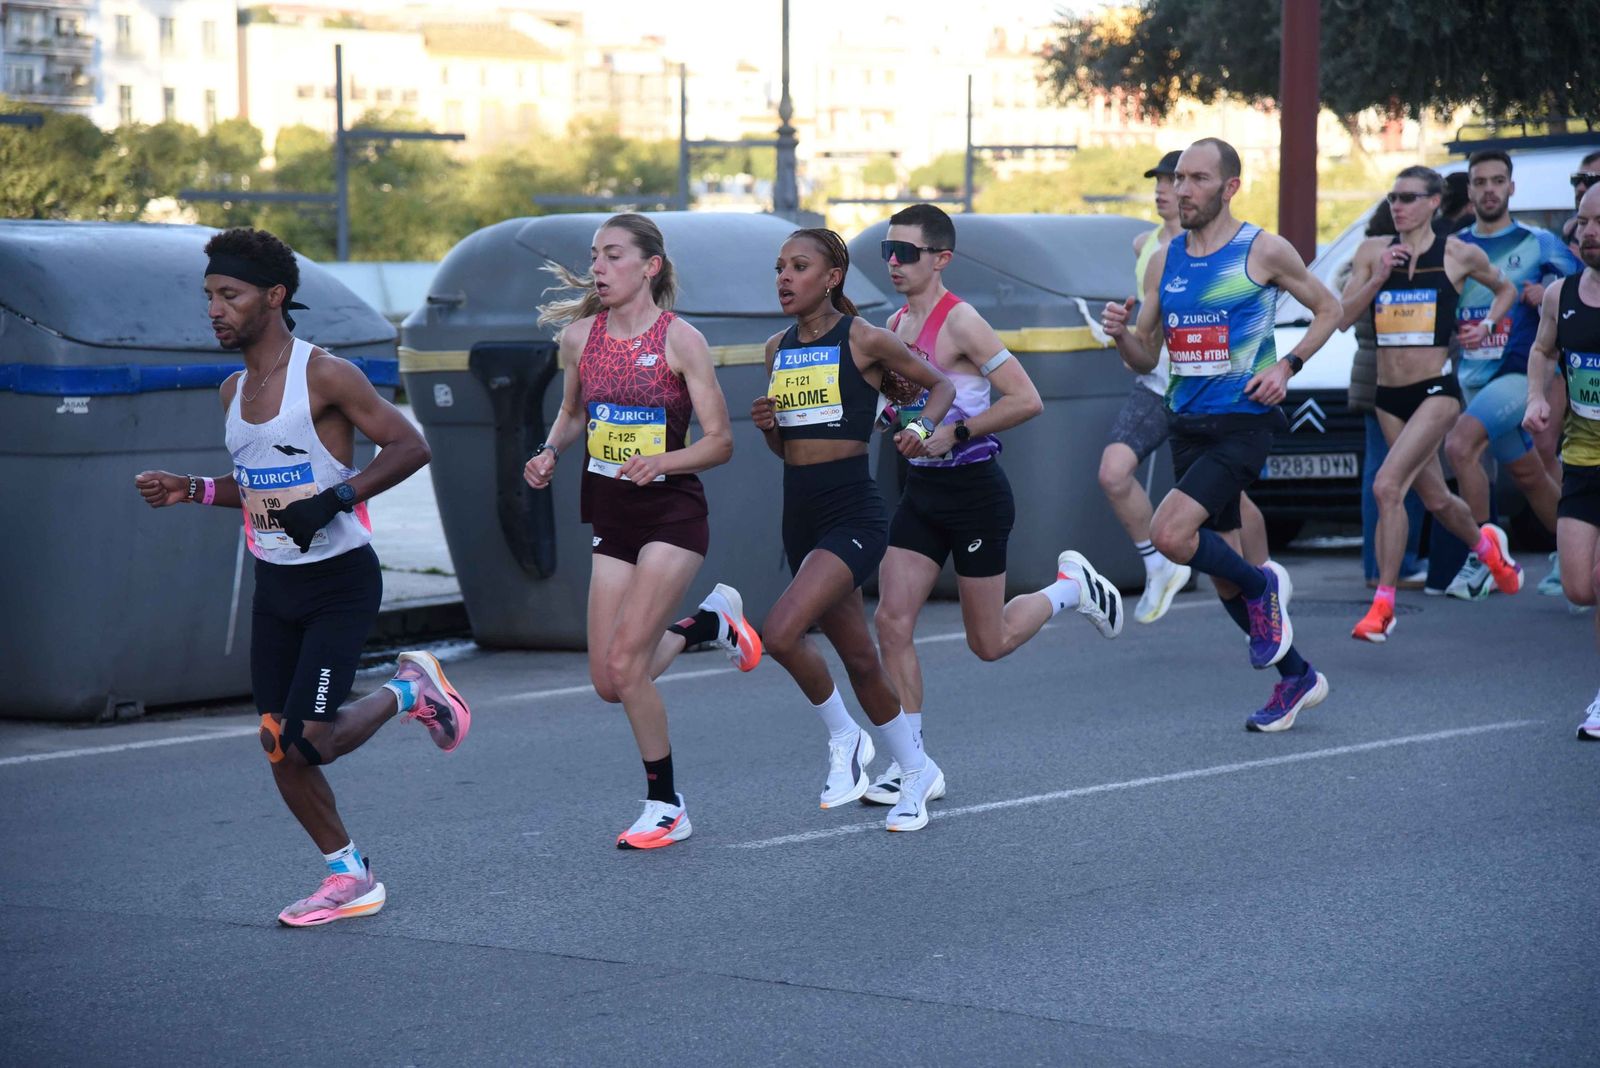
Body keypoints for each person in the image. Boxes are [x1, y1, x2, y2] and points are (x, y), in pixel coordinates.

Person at [134, 227, 471, 927]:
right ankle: (349, 876)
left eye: (229, 295)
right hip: (276, 587)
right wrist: (192, 489)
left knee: (313, 739)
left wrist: (339, 498)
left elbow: (411, 446)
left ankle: (411, 688)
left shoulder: (324, 374)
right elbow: (257, 485)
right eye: (209, 297)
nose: (215, 310)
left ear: (274, 296)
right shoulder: (232, 388)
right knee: (276, 742)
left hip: (338, 583)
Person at [866, 204, 1123, 806]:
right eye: (887, 252)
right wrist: (896, 424)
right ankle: (913, 762)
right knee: (891, 621)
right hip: (921, 492)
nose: (894, 263)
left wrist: (956, 433)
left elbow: (1027, 399)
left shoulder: (964, 325)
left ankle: (1070, 590)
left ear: (941, 259)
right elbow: (903, 405)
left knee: (989, 642)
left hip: (975, 493)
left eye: (906, 253)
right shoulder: (895, 324)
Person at [524, 213, 759, 851]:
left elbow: (721, 442)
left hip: (672, 514)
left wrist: (663, 461)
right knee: (609, 680)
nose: (598, 267)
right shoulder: (578, 338)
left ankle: (666, 804)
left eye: (613, 255)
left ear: (650, 266)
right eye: (594, 256)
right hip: (610, 512)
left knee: (628, 666)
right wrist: (549, 451)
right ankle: (706, 625)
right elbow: (574, 412)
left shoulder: (681, 340)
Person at [1101, 137, 1338, 732]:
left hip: (1243, 421)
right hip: (1188, 425)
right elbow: (1144, 354)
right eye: (1179, 178)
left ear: (1230, 187)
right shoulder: (1165, 258)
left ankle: (1265, 585)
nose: (1183, 190)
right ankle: (1297, 677)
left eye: (1198, 179)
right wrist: (1119, 334)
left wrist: (1288, 367)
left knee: (1171, 533)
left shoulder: (1262, 250)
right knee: (1221, 575)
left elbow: (1328, 309)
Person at [751, 227, 958, 832]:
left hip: (853, 514)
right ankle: (917, 770)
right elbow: (787, 448)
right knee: (862, 661)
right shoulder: (776, 348)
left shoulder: (864, 338)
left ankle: (847, 738)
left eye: (799, 267)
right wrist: (768, 425)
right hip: (800, 514)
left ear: (831, 277)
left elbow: (938, 385)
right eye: (780, 267)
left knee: (781, 632)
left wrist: (922, 430)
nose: (785, 278)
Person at [1341, 166, 1522, 641]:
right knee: (1437, 498)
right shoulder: (1371, 252)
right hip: (1387, 396)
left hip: (1436, 392)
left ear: (1434, 203)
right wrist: (1379, 276)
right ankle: (1489, 552)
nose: (1398, 205)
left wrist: (1485, 327)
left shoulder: (1459, 253)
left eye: (1408, 197)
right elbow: (1341, 317)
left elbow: (1507, 288)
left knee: (1386, 487)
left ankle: (1382, 607)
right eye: (1393, 197)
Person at [1440, 151, 1577, 601]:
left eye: (1498, 181)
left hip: (1520, 372)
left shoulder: (1540, 242)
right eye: (1480, 182)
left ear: (1511, 188)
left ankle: (1485, 559)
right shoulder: (1456, 246)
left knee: (1460, 445)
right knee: (1529, 475)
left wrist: (1548, 292)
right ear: (1470, 190)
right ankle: (1577, 551)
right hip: (1473, 375)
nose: (1489, 190)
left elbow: (1581, 288)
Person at [1097, 149, 1194, 622]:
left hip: (1202, 385)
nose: (1161, 190)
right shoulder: (1145, 246)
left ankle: (1263, 575)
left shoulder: (1217, 249)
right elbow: (1145, 328)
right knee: (1113, 472)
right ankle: (1158, 566)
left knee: (1229, 507)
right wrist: (1122, 331)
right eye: (1156, 181)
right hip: (1155, 382)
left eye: (1170, 180)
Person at [1524, 181, 1600, 736]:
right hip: (1582, 459)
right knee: (1578, 587)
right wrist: (1534, 397)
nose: (1589, 232)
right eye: (1583, 221)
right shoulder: (1561, 295)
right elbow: (1542, 349)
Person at [1344, 201, 1429, 588]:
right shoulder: (1382, 260)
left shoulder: (1362, 259)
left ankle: (1376, 567)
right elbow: (1345, 315)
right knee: (1398, 473)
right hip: (1390, 379)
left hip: (1369, 377)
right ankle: (1395, 564)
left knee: (1381, 472)